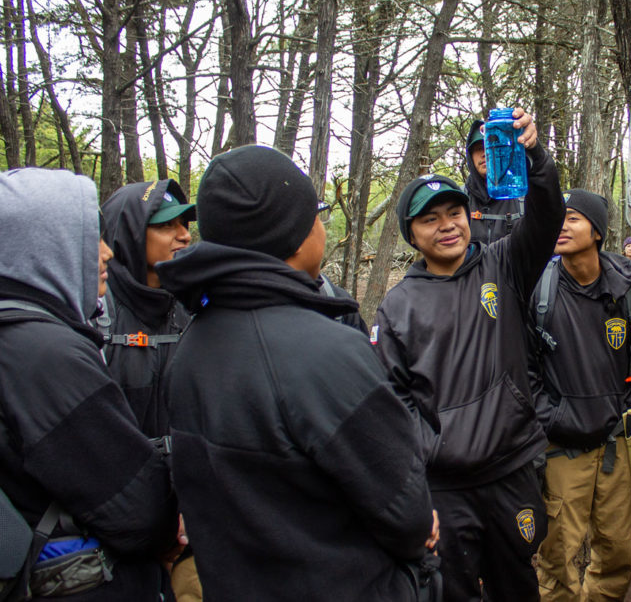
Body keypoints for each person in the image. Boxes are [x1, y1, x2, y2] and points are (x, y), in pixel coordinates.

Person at [157, 145, 437, 600]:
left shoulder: (192, 343)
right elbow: (407, 513)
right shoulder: (326, 352)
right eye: (316, 217)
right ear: (295, 233)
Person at [372, 109, 563, 602]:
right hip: (445, 487)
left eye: (454, 213)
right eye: (430, 220)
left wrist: (535, 156)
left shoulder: (503, 263)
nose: (447, 226)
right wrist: (428, 456)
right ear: (411, 234)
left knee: (517, 587)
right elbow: (394, 401)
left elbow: (547, 216)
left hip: (510, 473)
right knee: (452, 592)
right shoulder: (397, 306)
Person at [0, 168, 180, 600]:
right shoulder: (44, 355)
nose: (106, 254)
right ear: (45, 246)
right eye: (89, 240)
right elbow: (134, 506)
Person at [532, 190, 631, 601]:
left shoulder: (627, 291)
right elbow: (522, 371)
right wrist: (552, 419)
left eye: (572, 218)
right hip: (561, 448)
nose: (561, 226)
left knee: (617, 551)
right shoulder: (540, 290)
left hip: (617, 445)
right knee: (556, 558)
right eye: (558, 218)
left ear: (598, 231)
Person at [98, 179, 195, 437]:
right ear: (131, 233)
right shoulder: (96, 313)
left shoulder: (193, 308)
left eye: (183, 224)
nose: (185, 235)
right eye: (166, 225)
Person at [463, 117, 526, 243]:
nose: (485, 153)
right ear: (470, 156)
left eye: (492, 147)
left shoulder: (522, 198)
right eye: (478, 148)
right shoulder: (460, 199)